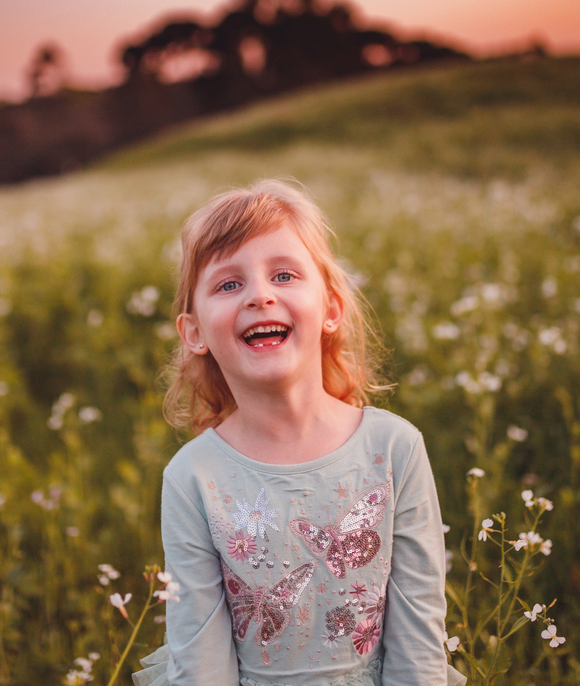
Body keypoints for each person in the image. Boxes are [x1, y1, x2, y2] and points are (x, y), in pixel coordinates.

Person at [134, 179, 462, 686]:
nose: (260, 296)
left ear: (331, 308)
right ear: (194, 332)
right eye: (228, 284)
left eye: (284, 275)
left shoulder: (394, 448)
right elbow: (202, 665)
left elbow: (417, 646)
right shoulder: (193, 476)